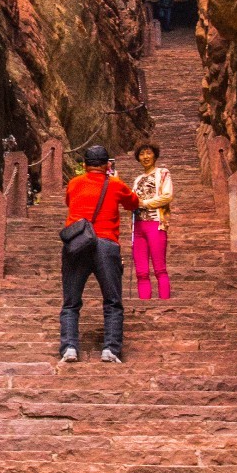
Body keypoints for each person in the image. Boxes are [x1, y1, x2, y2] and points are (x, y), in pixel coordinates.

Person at [59, 144, 141, 364]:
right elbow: (133, 203)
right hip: (106, 244)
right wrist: (117, 179)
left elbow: (70, 202)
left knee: (71, 302)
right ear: (108, 165)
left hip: (76, 245)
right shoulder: (115, 184)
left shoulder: (74, 183)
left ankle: (69, 347)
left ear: (84, 165)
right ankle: (111, 350)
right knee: (112, 301)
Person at [132, 142, 172, 303]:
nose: (145, 157)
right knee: (141, 271)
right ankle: (144, 303)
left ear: (155, 155)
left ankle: (164, 303)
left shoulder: (162, 173)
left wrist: (145, 203)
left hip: (156, 223)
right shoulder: (138, 179)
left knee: (159, 268)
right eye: (142, 154)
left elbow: (167, 196)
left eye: (148, 153)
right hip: (138, 226)